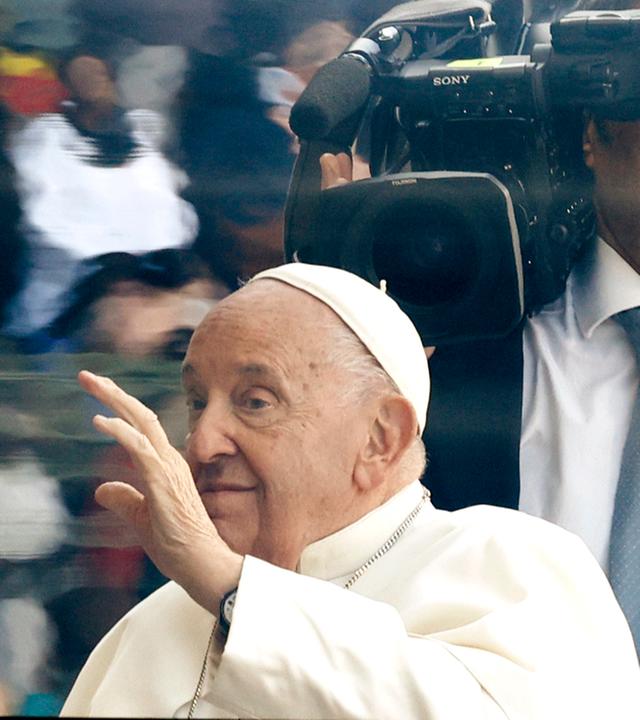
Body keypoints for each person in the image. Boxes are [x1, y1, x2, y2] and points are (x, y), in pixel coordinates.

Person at [60, 262, 639, 719]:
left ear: (380, 437)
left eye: (255, 401)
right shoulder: (155, 625)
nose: (203, 442)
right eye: (196, 403)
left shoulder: (510, 560)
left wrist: (234, 593)